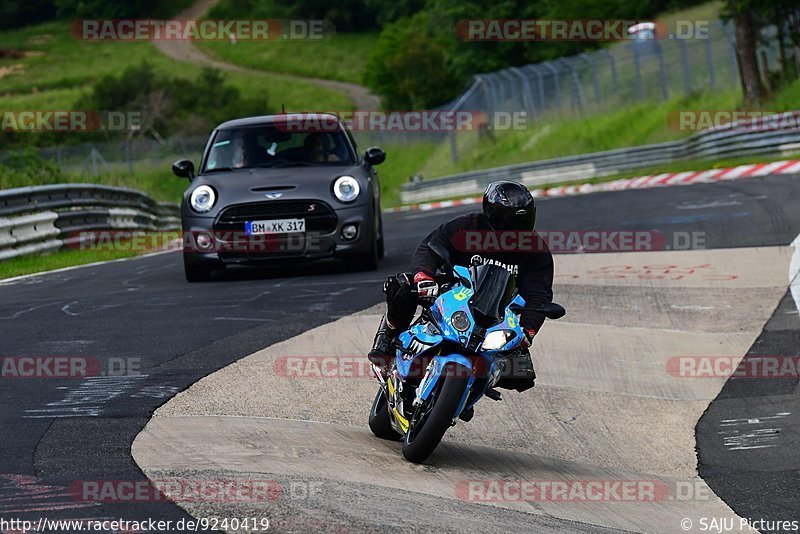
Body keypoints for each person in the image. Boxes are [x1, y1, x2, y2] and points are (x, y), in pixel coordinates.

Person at [367, 180, 554, 392]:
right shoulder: (467, 227)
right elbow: (430, 247)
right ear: (491, 215)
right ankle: (389, 336)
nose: (516, 229)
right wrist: (423, 277)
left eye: (523, 221)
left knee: (521, 374)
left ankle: (468, 389)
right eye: (509, 221)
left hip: (496, 315)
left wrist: (527, 330)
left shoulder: (536, 251)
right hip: (450, 293)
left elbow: (538, 295)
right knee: (403, 286)